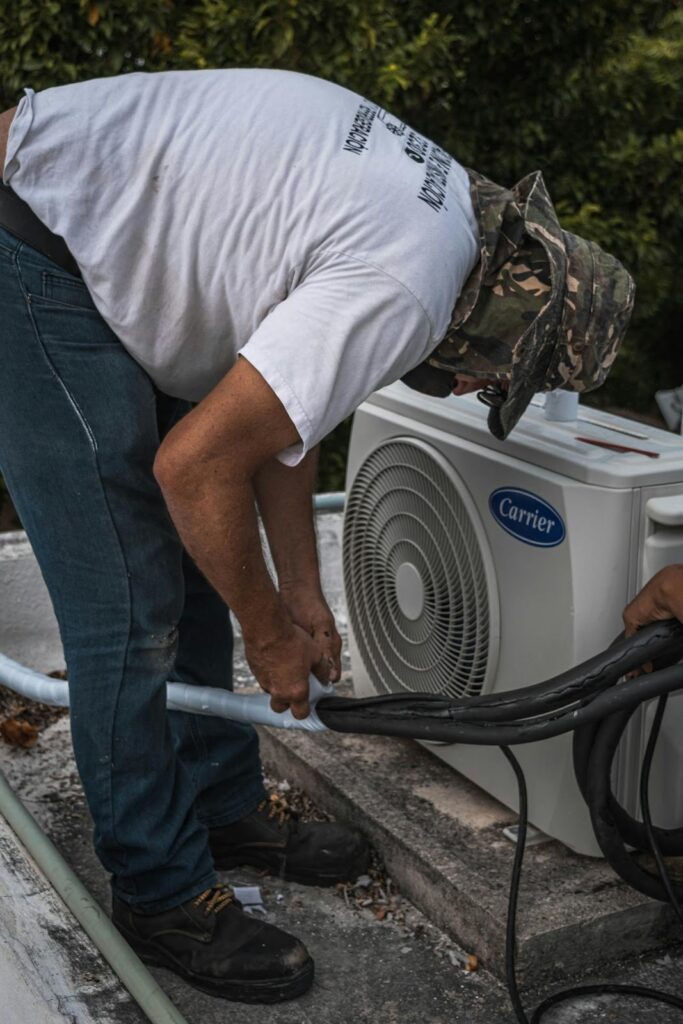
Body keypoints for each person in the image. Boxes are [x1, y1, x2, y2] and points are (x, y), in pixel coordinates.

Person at [0, 68, 635, 1003]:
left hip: (94, 222)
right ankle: (159, 891)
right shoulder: (408, 285)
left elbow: (279, 423)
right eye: (498, 378)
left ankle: (220, 805)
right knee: (130, 606)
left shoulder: (445, 222)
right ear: (507, 320)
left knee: (197, 560)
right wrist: (267, 635)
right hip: (36, 238)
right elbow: (194, 468)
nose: (472, 389)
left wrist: (300, 592)